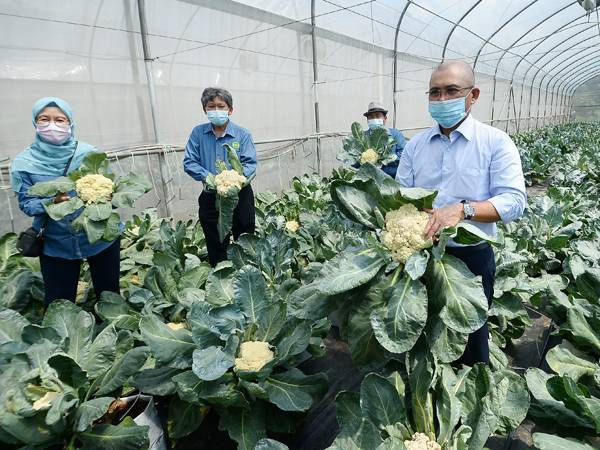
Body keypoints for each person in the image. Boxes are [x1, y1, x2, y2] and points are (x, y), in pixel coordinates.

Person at [396, 61, 527, 365]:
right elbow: (399, 194)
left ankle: (468, 396)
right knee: (421, 334)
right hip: (421, 259)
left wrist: (463, 210)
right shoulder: (415, 146)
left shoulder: (495, 142)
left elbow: (514, 200)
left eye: (451, 90)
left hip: (470, 260)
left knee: (470, 336)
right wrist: (413, 209)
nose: (442, 99)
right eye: (435, 92)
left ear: (473, 95)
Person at [10, 97, 121, 307]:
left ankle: (112, 331)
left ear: (70, 123)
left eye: (60, 120)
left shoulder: (90, 154)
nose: (53, 125)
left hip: (99, 237)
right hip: (56, 242)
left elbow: (112, 190)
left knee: (110, 296)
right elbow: (26, 203)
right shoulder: (23, 163)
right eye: (45, 119)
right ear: (35, 123)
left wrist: (108, 197)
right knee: (59, 302)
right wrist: (52, 201)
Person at [183, 87, 257, 267]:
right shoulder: (198, 134)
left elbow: (250, 164)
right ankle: (221, 272)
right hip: (211, 196)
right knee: (215, 240)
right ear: (205, 110)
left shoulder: (243, 134)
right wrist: (211, 179)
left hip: (240, 195)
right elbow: (189, 162)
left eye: (221, 106)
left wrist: (236, 180)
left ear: (230, 110)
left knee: (245, 237)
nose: (216, 110)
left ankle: (246, 270)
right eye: (211, 106)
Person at [363, 101, 406, 177]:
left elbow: (404, 155)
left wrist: (384, 159)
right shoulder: (362, 137)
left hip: (391, 179)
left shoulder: (395, 135)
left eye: (377, 116)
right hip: (369, 180)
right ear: (367, 120)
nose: (374, 119)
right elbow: (354, 163)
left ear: (385, 118)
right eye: (371, 117)